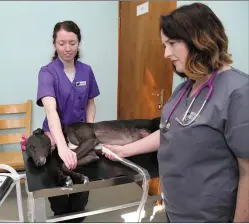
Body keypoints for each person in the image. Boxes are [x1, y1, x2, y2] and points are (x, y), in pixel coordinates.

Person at [103, 3, 249, 223]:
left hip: (210, 216)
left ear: (200, 39)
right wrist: (125, 150)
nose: (166, 53)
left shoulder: (238, 92)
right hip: (175, 210)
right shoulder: (185, 88)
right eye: (165, 45)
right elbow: (169, 131)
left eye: (172, 43)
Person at [36, 20, 100, 222]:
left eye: (72, 43)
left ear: (79, 43)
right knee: (60, 200)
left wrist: (89, 129)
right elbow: (50, 110)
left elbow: (91, 102)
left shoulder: (86, 71)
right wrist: (62, 148)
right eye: (62, 43)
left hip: (80, 138)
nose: (67, 48)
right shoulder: (47, 72)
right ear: (54, 44)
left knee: (80, 195)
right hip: (55, 139)